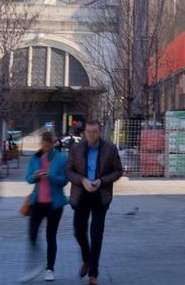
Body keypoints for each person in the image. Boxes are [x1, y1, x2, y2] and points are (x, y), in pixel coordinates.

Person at [65, 121, 123, 285]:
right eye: (89, 132)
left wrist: (102, 181)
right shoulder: (76, 149)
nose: (91, 135)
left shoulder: (109, 148)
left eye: (95, 132)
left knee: (96, 234)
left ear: (99, 132)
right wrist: (81, 180)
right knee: (79, 231)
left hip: (100, 195)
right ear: (85, 132)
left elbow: (118, 171)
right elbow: (68, 171)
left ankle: (93, 274)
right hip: (81, 194)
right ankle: (86, 258)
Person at [24, 131, 67, 283]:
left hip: (54, 204)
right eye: (44, 144)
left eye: (49, 144)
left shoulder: (61, 158)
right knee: (32, 234)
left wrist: (50, 176)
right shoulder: (35, 158)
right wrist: (35, 176)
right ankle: (36, 264)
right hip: (37, 202)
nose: (46, 147)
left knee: (51, 236)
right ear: (41, 143)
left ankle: (50, 269)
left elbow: (64, 180)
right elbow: (28, 178)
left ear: (53, 143)